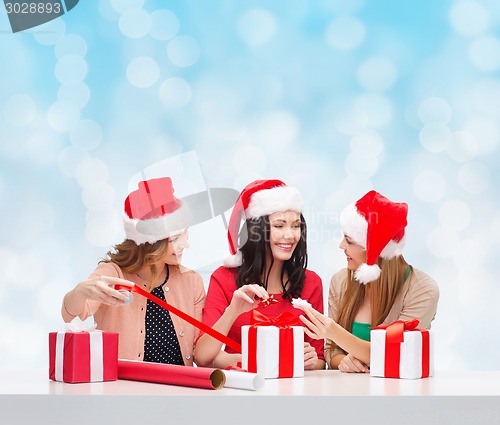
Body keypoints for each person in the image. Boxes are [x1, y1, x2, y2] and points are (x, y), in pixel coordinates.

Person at [61, 177, 206, 366]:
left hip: (178, 389)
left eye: (184, 233)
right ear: (152, 243)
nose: (185, 244)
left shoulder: (191, 281)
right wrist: (80, 292)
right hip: (124, 390)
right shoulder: (112, 274)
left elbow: (200, 351)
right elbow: (70, 315)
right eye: (175, 238)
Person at [299, 190, 439, 373]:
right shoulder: (341, 281)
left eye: (349, 240)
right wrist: (343, 361)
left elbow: (397, 354)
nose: (341, 246)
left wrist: (333, 331)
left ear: (374, 250)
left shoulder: (422, 290)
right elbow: (331, 351)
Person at [194, 179, 325, 370]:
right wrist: (233, 310)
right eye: (279, 226)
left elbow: (320, 360)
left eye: (296, 226)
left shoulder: (311, 283)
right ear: (256, 230)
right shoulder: (224, 279)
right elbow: (202, 357)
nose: (290, 235)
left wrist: (312, 361)